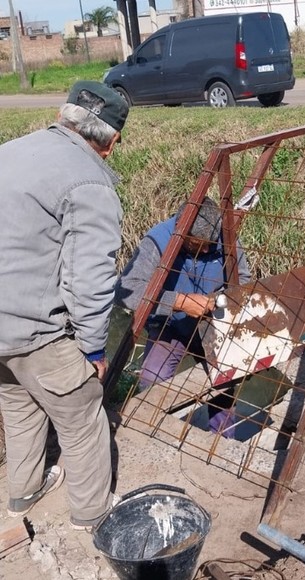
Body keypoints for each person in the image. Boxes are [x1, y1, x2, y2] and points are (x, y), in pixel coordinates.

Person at [0, 81, 129, 530]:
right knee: (82, 414)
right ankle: (92, 513)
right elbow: (89, 279)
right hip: (35, 330)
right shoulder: (89, 181)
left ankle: (23, 493)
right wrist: (93, 349)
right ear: (112, 141)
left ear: (65, 115)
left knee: (19, 409)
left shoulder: (10, 152)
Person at [114, 197, 251, 390]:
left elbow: (244, 279)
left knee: (225, 383)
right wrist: (179, 302)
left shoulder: (226, 238)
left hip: (215, 322)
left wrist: (222, 300)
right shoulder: (159, 240)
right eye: (196, 245)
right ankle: (161, 419)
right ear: (180, 229)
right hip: (171, 324)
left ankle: (221, 418)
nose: (204, 249)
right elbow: (125, 291)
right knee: (153, 378)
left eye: (209, 244)